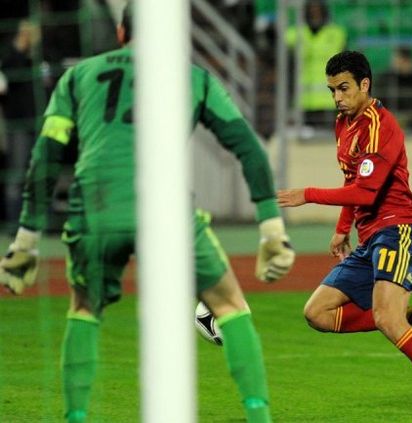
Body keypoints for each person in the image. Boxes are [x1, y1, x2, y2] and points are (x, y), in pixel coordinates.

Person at [0, 4, 294, 423]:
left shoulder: (77, 76)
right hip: (166, 211)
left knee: (84, 308)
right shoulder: (193, 77)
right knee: (228, 305)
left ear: (121, 33)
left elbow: (44, 156)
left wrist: (26, 240)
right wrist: (271, 229)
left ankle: (76, 416)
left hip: (96, 208)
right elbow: (248, 147)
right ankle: (258, 416)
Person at [277, 50, 412, 416]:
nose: (337, 97)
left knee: (386, 318)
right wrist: (341, 228)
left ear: (364, 85)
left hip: (400, 230)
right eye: (332, 89)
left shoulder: (382, 125)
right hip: (371, 238)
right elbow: (353, 181)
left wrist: (308, 195)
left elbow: (367, 192)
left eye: (344, 88)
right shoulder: (343, 123)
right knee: (317, 312)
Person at [0, 19, 43, 233]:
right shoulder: (11, 58)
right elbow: (6, 76)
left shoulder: (43, 57)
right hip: (18, 126)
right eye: (24, 33)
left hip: (43, 124)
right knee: (16, 177)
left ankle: (38, 226)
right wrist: (19, 48)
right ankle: (14, 226)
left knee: (40, 176)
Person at [286, 0, 347, 128]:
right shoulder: (293, 34)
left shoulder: (337, 34)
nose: (315, 14)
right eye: (312, 11)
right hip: (302, 101)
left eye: (318, 11)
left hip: (330, 101)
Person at [376, 46, 412, 129]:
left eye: (405, 60)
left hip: (410, 121)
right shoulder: (384, 78)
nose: (399, 62)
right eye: (397, 59)